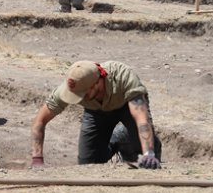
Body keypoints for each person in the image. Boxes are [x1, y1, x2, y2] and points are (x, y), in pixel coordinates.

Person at [30, 60, 163, 169]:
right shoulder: (68, 88)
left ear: (97, 83)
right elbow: (40, 121)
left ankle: (134, 140)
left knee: (145, 160)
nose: (79, 98)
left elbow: (141, 118)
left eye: (82, 94)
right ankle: (117, 140)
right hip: (96, 112)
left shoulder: (124, 77)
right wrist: (37, 159)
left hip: (127, 108)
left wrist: (149, 153)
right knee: (87, 164)